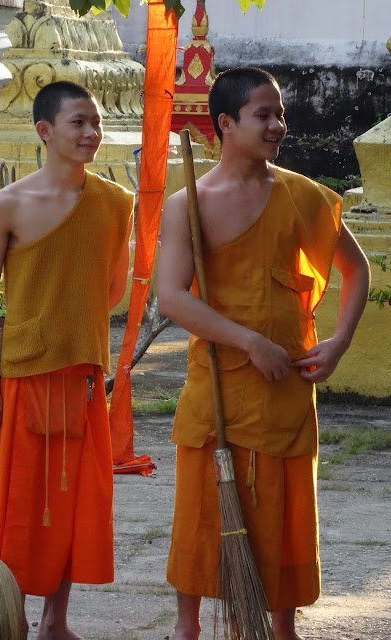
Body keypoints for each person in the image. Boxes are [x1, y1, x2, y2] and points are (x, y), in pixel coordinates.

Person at [157, 67, 370, 640]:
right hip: (219, 382)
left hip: (286, 383)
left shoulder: (303, 195)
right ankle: (188, 625)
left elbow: (357, 269)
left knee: (283, 510)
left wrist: (339, 342)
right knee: (203, 507)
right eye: (263, 115)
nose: (278, 125)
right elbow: (172, 297)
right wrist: (249, 341)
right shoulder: (189, 204)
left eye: (280, 113)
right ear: (225, 124)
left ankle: (281, 627)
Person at [0, 80, 134, 640]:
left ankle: (54, 623)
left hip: (84, 373)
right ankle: (7, 616)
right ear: (45, 132)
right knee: (19, 504)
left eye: (96, 122)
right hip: (23, 374)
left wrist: (69, 322)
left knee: (72, 503)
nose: (92, 133)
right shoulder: (6, 205)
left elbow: (112, 288)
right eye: (78, 123)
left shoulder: (115, 204)